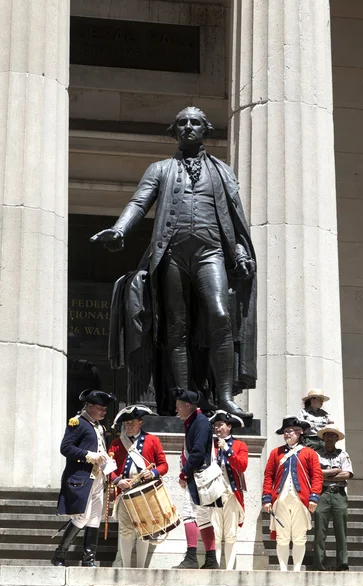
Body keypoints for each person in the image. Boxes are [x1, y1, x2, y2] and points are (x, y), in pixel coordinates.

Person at [91, 106, 257, 417]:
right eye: (182, 123)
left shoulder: (222, 171)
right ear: (174, 131)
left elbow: (233, 219)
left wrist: (241, 252)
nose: (188, 127)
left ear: (205, 129)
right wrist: (119, 229)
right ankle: (185, 400)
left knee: (220, 315)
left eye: (195, 122)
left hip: (211, 253)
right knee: (176, 329)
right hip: (171, 254)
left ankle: (223, 396)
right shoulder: (160, 169)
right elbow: (139, 201)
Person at [52, 389, 116, 567]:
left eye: (105, 409)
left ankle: (89, 560)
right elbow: (66, 448)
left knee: (95, 518)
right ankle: (59, 555)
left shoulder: (98, 426)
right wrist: (90, 455)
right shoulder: (77, 423)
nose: (104, 412)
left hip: (97, 478)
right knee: (82, 517)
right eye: (101, 408)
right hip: (83, 478)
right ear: (89, 406)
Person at [108, 405, 168, 568]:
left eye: (133, 422)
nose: (129, 426)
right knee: (125, 531)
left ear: (140, 422)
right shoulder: (116, 444)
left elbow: (163, 465)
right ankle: (126, 568)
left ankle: (140, 568)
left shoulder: (152, 440)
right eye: (127, 423)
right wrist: (117, 481)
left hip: (145, 492)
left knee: (145, 531)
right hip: (125, 493)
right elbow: (108, 469)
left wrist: (153, 473)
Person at [262, 416, 323, 571]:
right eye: (285, 432)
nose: (287, 434)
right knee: (282, 537)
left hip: (301, 500)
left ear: (299, 432)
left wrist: (314, 496)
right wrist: (267, 498)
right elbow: (268, 476)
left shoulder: (309, 453)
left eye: (290, 431)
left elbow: (317, 476)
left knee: (299, 537)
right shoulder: (276, 453)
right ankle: (283, 569)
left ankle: (296, 569)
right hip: (280, 499)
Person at [172, 387, 220, 569]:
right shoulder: (196, 421)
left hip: (198, 476)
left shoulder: (199, 422)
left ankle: (192, 558)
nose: (176, 410)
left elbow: (198, 452)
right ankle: (211, 560)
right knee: (204, 518)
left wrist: (184, 473)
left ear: (187, 405)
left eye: (178, 406)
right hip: (199, 476)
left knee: (190, 515)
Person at [208, 410, 248, 569]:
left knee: (231, 533)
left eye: (220, 425)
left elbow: (242, 466)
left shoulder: (240, 445)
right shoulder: (209, 445)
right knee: (216, 533)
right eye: (215, 425)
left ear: (229, 426)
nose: (217, 428)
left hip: (231, 493)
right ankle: (216, 568)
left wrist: (227, 450)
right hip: (213, 494)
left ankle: (229, 569)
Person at [313, 424, 354, 572]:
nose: (330, 437)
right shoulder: (316, 454)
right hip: (322, 494)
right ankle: (318, 564)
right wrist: (336, 472)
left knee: (341, 531)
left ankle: (342, 564)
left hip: (339, 494)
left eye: (333, 435)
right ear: (323, 437)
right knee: (319, 531)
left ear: (337, 438)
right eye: (327, 435)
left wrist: (326, 473)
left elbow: (347, 474)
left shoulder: (343, 454)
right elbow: (314, 474)